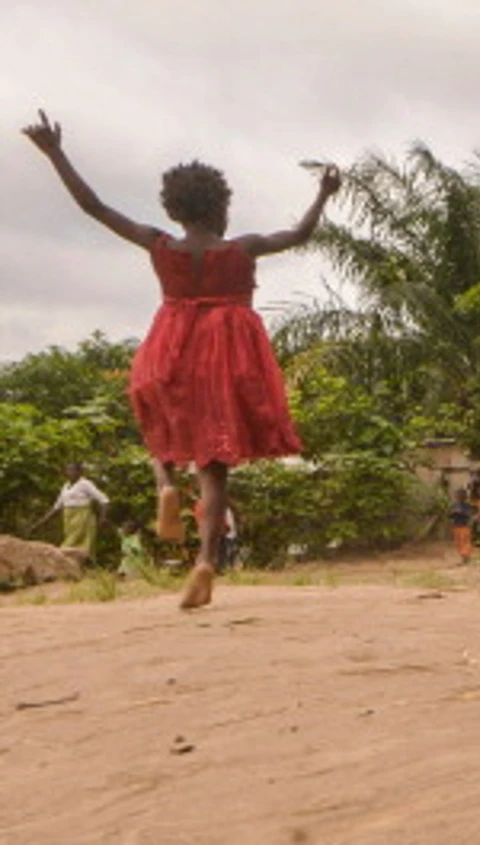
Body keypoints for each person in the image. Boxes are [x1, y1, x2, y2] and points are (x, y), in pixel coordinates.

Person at [21, 109, 339, 609]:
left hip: (172, 342)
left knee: (162, 425)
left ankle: (165, 483)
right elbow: (297, 236)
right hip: (228, 347)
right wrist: (323, 194)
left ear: (175, 208)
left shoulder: (159, 243)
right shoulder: (243, 249)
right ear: (220, 207)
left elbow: (96, 208)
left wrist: (56, 153)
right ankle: (206, 561)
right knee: (214, 465)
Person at [38, 462, 109, 562]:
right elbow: (57, 505)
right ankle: (77, 568)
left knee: (72, 542)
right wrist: (42, 521)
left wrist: (103, 517)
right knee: (73, 541)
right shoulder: (65, 485)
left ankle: (59, 561)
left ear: (80, 472)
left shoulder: (85, 484)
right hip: (68, 517)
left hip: (82, 516)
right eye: (67, 470)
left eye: (72, 470)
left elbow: (103, 500)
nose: (69, 472)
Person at [448, 487, 475, 564]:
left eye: (461, 495)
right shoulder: (454, 505)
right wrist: (453, 513)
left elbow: (469, 514)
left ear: (465, 497)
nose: (459, 497)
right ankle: (463, 557)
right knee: (458, 542)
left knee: (465, 541)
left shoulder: (467, 506)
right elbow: (449, 514)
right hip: (456, 525)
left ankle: (466, 557)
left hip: (465, 526)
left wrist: (461, 512)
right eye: (458, 495)